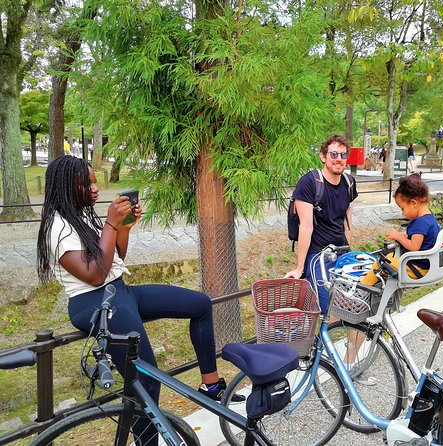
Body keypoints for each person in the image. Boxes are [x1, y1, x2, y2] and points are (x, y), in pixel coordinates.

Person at [35, 157, 242, 431]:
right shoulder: (57, 227)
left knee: (200, 304)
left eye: (95, 181)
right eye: (87, 183)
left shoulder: (82, 213)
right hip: (94, 303)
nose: (95, 188)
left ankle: (211, 385)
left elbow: (114, 256)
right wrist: (110, 224)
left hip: (119, 291)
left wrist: (123, 228)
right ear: (65, 186)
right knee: (146, 380)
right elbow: (94, 274)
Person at [285, 134, 358, 311]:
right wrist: (299, 268)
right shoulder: (309, 183)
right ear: (323, 156)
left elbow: (347, 223)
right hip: (318, 255)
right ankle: (327, 335)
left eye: (343, 155)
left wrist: (349, 252)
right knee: (330, 307)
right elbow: (306, 227)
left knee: (356, 306)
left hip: (341, 252)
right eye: (333, 154)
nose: (339, 159)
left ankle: (346, 337)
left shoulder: (349, 183)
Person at [360, 174, 440, 287]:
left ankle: (362, 287)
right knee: (388, 258)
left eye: (402, 208)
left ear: (413, 203)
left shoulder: (419, 222)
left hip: (417, 269)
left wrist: (398, 237)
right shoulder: (429, 218)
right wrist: (404, 236)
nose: (402, 213)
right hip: (426, 265)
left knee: (380, 263)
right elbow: (421, 241)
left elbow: (414, 247)